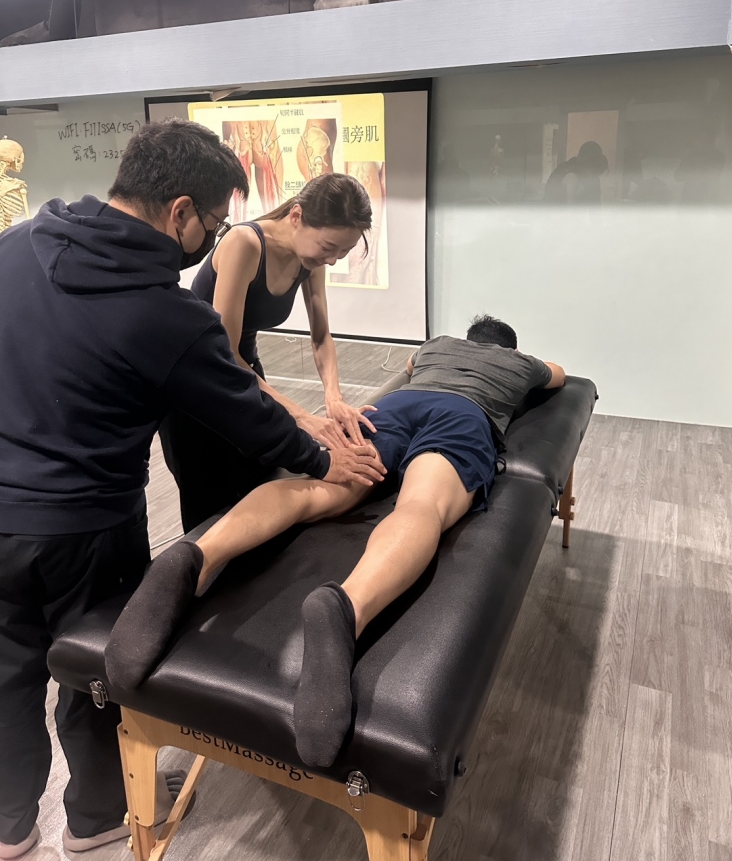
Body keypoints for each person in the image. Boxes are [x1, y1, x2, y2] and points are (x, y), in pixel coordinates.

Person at [0, 120, 385, 859]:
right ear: (180, 211)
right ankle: (96, 816)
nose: (212, 237)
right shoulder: (165, 313)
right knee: (93, 673)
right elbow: (245, 412)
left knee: (6, 671)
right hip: (86, 527)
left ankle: (8, 825)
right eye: (210, 222)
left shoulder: (16, 246)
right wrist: (323, 461)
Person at [105, 315, 565, 769]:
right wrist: (521, 366)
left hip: (395, 408)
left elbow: (410, 366)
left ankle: (199, 555)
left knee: (319, 490)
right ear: (508, 348)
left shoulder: (436, 345)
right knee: (422, 505)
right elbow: (558, 376)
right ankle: (348, 609)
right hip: (462, 416)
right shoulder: (519, 363)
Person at [160, 172, 379, 532]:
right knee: (210, 506)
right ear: (297, 216)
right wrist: (301, 417)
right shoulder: (244, 243)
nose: (334, 260)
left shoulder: (310, 260)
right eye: (329, 248)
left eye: (344, 251)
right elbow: (225, 352)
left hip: (243, 369)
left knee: (262, 483)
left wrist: (334, 398)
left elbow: (320, 336)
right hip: (196, 382)